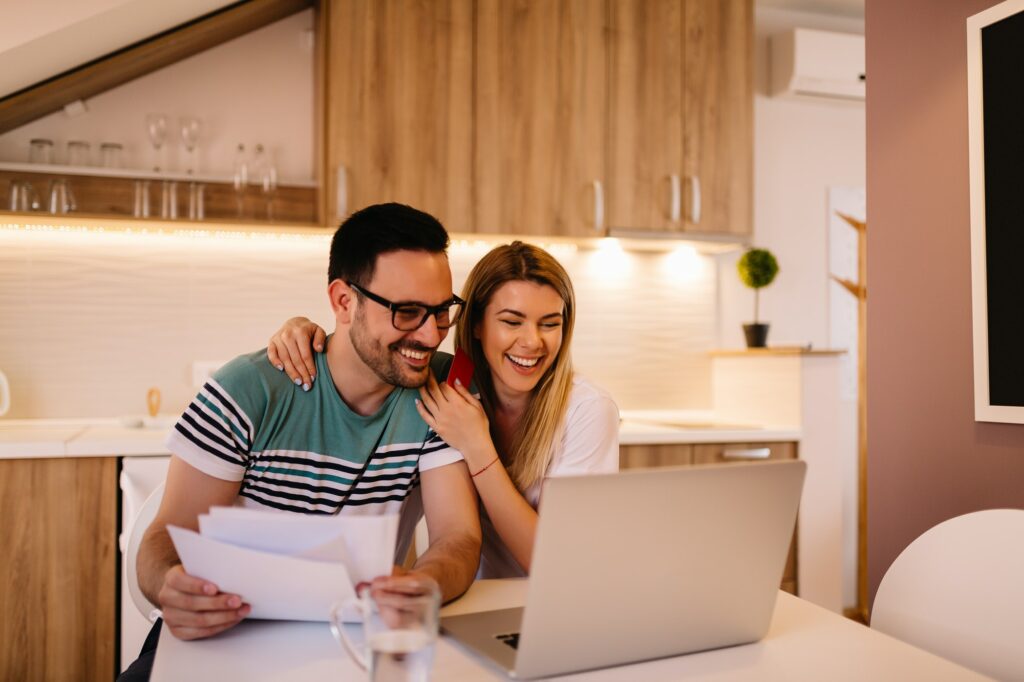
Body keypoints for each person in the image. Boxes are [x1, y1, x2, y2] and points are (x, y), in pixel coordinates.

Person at [121, 203, 481, 680]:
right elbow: (164, 537)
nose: (431, 333)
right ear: (344, 302)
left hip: (352, 639)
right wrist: (170, 585)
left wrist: (424, 583)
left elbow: (458, 537)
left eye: (441, 311)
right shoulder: (248, 389)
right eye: (408, 312)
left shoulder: (442, 391)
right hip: (228, 631)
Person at [268, 241, 619, 578]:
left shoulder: (587, 411)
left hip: (546, 608)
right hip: (465, 605)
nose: (532, 341)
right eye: (512, 322)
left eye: (550, 323)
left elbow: (558, 564)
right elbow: (369, 355)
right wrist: (302, 331)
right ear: (477, 324)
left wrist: (479, 449)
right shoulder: (443, 385)